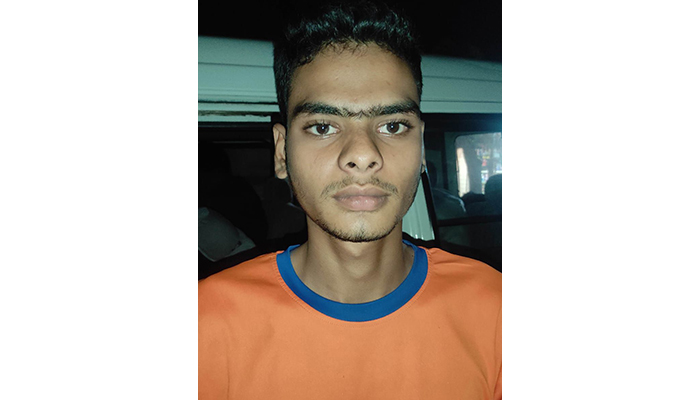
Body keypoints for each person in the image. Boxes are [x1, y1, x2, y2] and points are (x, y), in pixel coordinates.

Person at [198, 2, 501, 399]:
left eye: (393, 125)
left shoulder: (496, 310)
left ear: (421, 148)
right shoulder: (205, 324)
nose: (362, 154)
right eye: (323, 127)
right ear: (282, 152)